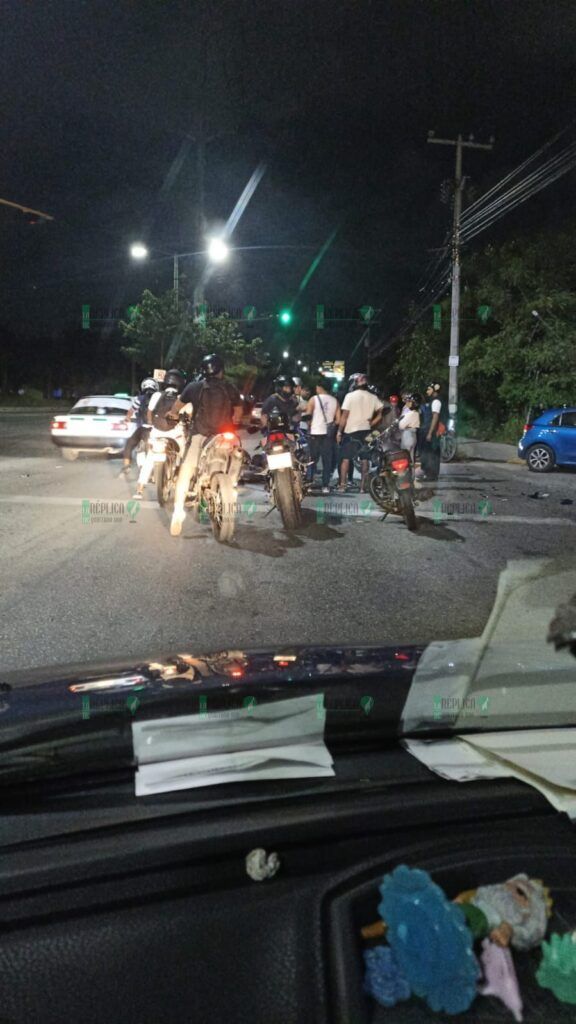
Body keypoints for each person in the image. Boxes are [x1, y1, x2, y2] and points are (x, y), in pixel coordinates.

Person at [168, 355, 243, 536]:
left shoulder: (194, 387)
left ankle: (178, 513)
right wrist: (235, 420)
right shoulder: (229, 387)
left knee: (186, 471)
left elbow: (176, 408)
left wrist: (172, 414)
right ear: (221, 370)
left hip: (200, 435)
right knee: (238, 455)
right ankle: (231, 485)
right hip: (225, 435)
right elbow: (239, 409)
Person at [132, 369, 188, 498]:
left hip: (157, 433)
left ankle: (140, 489)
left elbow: (149, 413)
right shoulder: (181, 398)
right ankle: (185, 485)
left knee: (149, 459)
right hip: (175, 434)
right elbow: (189, 414)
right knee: (185, 456)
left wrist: (152, 424)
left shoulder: (157, 395)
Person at [337, 373, 384, 493]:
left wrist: (339, 432)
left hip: (351, 431)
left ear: (354, 383)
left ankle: (342, 485)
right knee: (365, 459)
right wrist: (372, 422)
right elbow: (381, 412)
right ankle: (362, 488)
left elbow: (344, 416)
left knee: (345, 459)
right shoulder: (373, 397)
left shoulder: (350, 396)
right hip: (367, 432)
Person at [306, 378, 340, 493]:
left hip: (315, 434)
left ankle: (310, 484)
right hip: (328, 435)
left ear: (320, 387)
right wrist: (331, 425)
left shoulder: (313, 399)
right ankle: (325, 486)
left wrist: (310, 425)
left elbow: (308, 417)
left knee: (312, 460)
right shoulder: (335, 401)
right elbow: (338, 420)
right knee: (327, 461)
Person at [121, 377, 160, 474]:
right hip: (157, 430)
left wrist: (127, 418)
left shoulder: (140, 398)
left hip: (142, 429)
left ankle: (126, 466)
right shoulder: (159, 398)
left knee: (129, 444)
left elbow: (131, 410)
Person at [418, 382, 442, 481]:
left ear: (434, 390)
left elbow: (435, 418)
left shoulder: (436, 402)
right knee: (427, 452)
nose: (427, 391)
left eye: (429, 389)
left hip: (430, 431)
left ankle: (431, 475)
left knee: (431, 454)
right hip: (427, 429)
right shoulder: (432, 401)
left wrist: (429, 432)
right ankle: (428, 473)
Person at [397, 393, 421, 465]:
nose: (407, 401)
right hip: (413, 434)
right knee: (411, 456)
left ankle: (408, 474)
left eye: (409, 401)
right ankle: (412, 473)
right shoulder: (415, 412)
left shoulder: (410, 413)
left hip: (408, 434)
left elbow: (401, 425)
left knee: (406, 456)